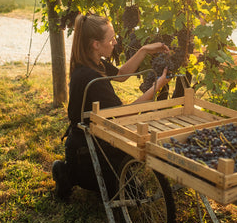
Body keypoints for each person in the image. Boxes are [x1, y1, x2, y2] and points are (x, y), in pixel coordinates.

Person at [52, 13, 170, 199]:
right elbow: (123, 115)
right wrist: (157, 86)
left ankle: (74, 171)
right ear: (96, 44)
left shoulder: (91, 62)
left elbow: (122, 74)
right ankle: (66, 173)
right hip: (87, 149)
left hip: (95, 138)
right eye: (111, 39)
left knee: (133, 190)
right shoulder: (92, 79)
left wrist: (144, 50)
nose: (115, 42)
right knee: (134, 194)